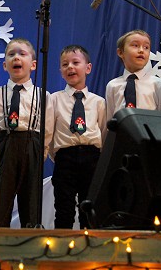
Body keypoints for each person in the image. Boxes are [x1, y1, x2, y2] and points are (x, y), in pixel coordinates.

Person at [0, 38, 53, 228]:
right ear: (4, 65)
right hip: (6, 145)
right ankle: (0, 238)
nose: (16, 58)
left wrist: (39, 153)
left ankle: (30, 239)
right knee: (2, 200)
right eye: (11, 54)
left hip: (32, 145)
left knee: (31, 202)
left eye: (22, 54)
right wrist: (1, 152)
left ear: (33, 64)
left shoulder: (43, 95)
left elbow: (47, 130)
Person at [49, 45, 106, 229]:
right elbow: (49, 132)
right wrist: (58, 155)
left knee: (89, 209)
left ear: (88, 68)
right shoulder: (54, 99)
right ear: (60, 71)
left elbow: (103, 131)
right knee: (63, 209)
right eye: (65, 64)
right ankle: (62, 245)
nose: (70, 67)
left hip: (92, 158)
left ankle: (89, 245)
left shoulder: (99, 102)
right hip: (65, 158)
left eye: (75, 62)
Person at [105, 29, 161, 120]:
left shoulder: (158, 84)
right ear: (120, 52)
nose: (141, 50)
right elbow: (110, 119)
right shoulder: (113, 85)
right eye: (135, 45)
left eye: (146, 47)